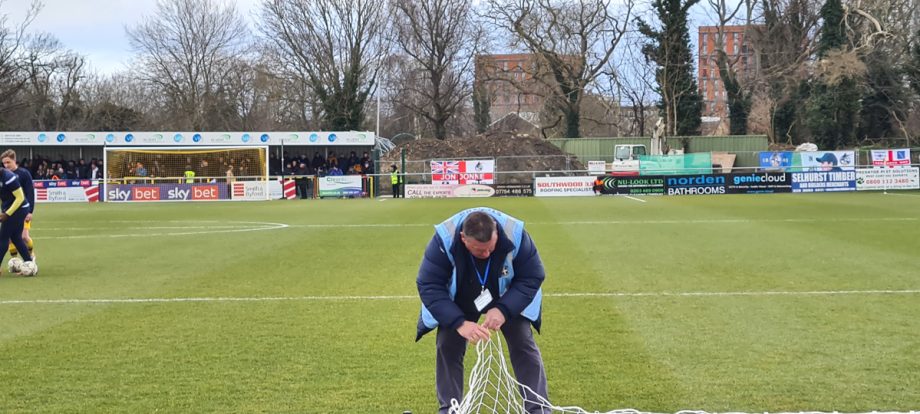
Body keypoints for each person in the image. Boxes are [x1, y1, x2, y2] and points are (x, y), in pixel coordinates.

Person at [416, 208, 548, 414]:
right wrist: (459, 323)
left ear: (496, 232)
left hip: (506, 292)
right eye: (479, 250)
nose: (486, 254)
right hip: (460, 296)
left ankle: (538, 408)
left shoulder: (516, 234)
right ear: (463, 239)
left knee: (522, 341)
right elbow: (429, 284)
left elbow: (532, 276)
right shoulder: (443, 239)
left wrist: (504, 310)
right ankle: (449, 409)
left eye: (490, 248)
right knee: (447, 345)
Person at [0, 163, 35, 275]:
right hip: (10, 209)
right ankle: (30, 263)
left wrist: (7, 214)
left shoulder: (8, 177)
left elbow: (20, 197)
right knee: (15, 238)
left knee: (3, 238)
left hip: (19, 209)